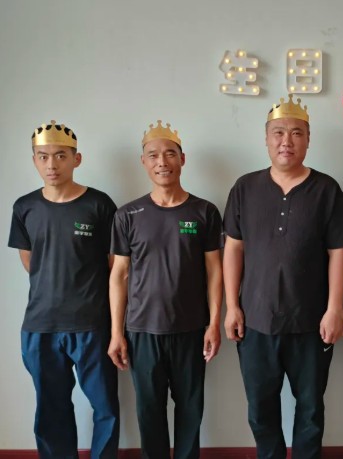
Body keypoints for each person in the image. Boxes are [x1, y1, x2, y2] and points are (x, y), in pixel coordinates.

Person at [223, 95, 343, 459]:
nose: (287, 141)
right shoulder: (245, 188)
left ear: (308, 139)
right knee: (260, 409)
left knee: (310, 408)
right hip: (256, 321)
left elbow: (339, 252)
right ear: (266, 138)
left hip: (311, 322)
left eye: (297, 133)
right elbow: (233, 248)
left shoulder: (326, 190)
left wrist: (335, 308)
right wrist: (232, 306)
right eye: (278, 132)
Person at [107, 120, 223, 459]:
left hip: (191, 329)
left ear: (182, 159)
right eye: (153, 155)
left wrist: (214, 323)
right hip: (142, 331)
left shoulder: (204, 212)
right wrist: (116, 333)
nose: (162, 162)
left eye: (170, 154)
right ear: (143, 161)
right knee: (149, 412)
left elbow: (215, 271)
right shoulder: (128, 215)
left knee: (190, 409)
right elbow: (118, 275)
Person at [8, 120, 119, 459]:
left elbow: (114, 263)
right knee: (51, 407)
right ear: (34, 160)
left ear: (76, 159)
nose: (51, 164)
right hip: (41, 325)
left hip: (91, 323)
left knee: (105, 406)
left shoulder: (99, 205)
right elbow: (30, 261)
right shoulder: (25, 207)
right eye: (43, 156)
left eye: (60, 155)